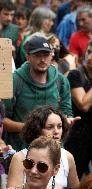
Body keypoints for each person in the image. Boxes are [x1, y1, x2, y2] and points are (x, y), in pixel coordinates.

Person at [2, 35, 78, 152]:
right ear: (28, 57)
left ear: (52, 55)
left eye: (46, 55)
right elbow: (2, 121)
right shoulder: (14, 81)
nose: (42, 59)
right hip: (21, 151)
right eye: (37, 55)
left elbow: (66, 113)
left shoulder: (61, 81)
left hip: (53, 151)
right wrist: (34, 128)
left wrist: (67, 121)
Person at [7, 105, 79, 189]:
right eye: (50, 127)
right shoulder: (19, 157)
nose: (56, 131)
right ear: (37, 130)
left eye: (59, 126)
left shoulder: (67, 157)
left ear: (56, 169)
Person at [64, 40, 92, 178]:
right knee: (71, 181)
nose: (91, 57)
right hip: (79, 136)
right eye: (89, 52)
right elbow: (83, 105)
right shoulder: (76, 74)